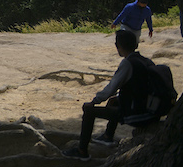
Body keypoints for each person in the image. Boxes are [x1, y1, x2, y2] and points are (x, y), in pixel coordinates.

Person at [63, 30, 158, 158]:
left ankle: (82, 151)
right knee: (114, 100)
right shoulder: (146, 61)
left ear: (117, 46)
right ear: (135, 45)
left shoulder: (127, 63)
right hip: (150, 110)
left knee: (89, 111)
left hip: (137, 114)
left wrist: (93, 102)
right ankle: (107, 136)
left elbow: (111, 88)